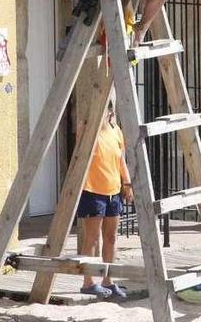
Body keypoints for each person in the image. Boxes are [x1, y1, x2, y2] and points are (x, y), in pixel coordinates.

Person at [76, 96, 133, 300]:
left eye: (105, 111)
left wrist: (127, 183)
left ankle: (108, 280)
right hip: (92, 190)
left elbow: (120, 160)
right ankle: (88, 282)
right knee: (92, 238)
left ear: (110, 113)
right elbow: (81, 151)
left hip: (113, 191)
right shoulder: (88, 129)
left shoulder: (116, 130)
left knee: (111, 237)